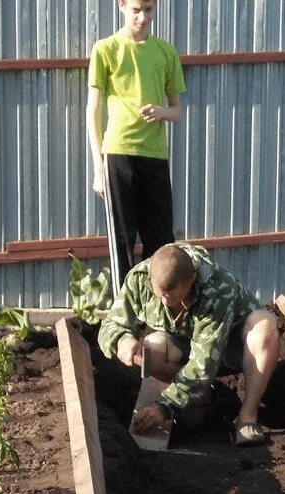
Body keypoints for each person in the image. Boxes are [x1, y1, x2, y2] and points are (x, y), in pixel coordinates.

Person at [98, 243, 279, 447]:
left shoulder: (218, 288)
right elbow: (111, 324)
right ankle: (209, 399)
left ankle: (247, 416)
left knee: (265, 325)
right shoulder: (139, 279)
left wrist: (163, 407)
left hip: (234, 348)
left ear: (191, 281)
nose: (166, 304)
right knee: (154, 347)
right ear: (150, 279)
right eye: (161, 296)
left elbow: (205, 361)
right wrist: (121, 340)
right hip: (187, 347)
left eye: (174, 297)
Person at [87, 0, 185, 288]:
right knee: (122, 243)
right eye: (136, 10)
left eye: (150, 9)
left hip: (154, 156)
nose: (143, 17)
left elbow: (177, 110)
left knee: (161, 241)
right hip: (118, 155)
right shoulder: (105, 50)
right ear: (122, 6)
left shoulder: (165, 53)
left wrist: (161, 112)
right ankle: (124, 316)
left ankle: (160, 314)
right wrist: (98, 168)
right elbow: (93, 111)